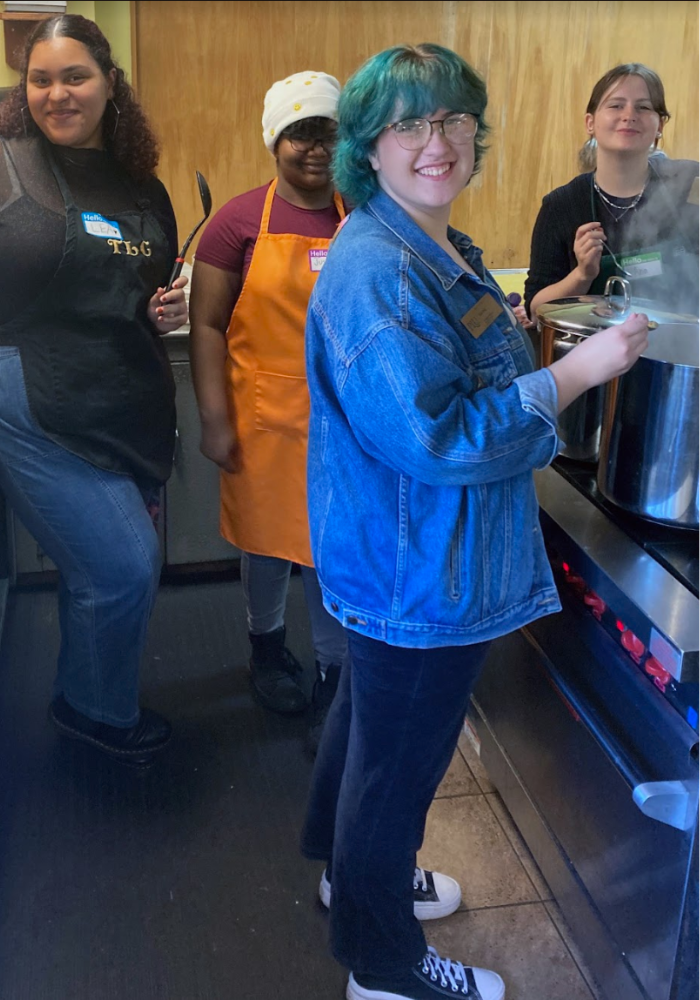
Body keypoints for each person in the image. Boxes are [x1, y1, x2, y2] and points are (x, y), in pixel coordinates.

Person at [299, 43, 649, 1000]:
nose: (436, 142)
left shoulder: (428, 240)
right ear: (368, 146)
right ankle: (383, 967)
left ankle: (356, 877)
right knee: (400, 763)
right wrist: (578, 372)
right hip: (418, 564)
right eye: (408, 124)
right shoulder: (379, 270)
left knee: (375, 735)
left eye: (453, 119)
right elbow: (440, 440)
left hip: (402, 554)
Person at [0, 15, 188, 766]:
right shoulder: (7, 163)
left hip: (122, 392)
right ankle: (96, 709)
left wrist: (157, 305)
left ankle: (83, 692)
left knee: (101, 569)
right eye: (40, 78)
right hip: (33, 397)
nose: (56, 93)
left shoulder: (143, 185)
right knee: (122, 565)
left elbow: (138, 283)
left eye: (74, 76)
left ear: (112, 84)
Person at [189, 71, 348, 752]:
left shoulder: (365, 216)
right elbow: (206, 326)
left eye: (328, 133)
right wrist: (215, 419)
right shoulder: (234, 222)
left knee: (332, 553)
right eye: (299, 134)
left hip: (344, 424)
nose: (314, 148)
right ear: (274, 141)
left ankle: (336, 671)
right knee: (265, 547)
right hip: (262, 420)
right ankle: (266, 647)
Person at [525, 64, 699, 319]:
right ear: (590, 122)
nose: (629, 115)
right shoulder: (562, 205)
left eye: (643, 107)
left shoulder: (689, 184)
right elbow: (535, 307)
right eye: (616, 105)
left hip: (679, 352)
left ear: (659, 125)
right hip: (591, 353)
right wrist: (582, 274)